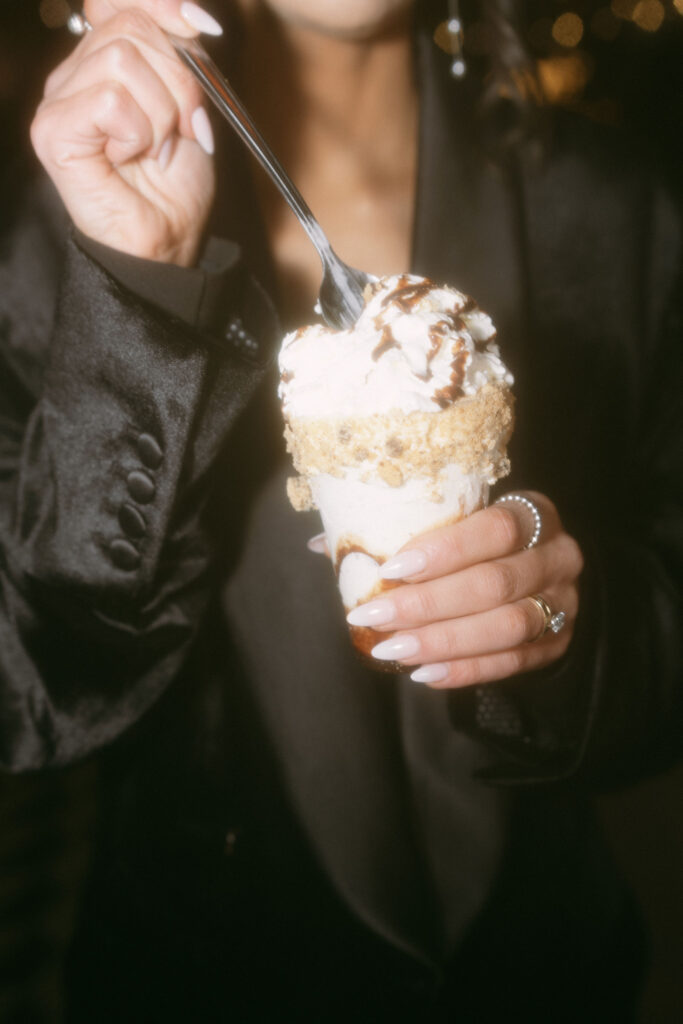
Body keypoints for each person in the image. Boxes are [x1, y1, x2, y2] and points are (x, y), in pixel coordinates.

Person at [1, 0, 681, 1019]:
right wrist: (139, 288)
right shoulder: (81, 220)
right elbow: (31, 687)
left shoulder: (614, 208)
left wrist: (568, 629)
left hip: (548, 969)